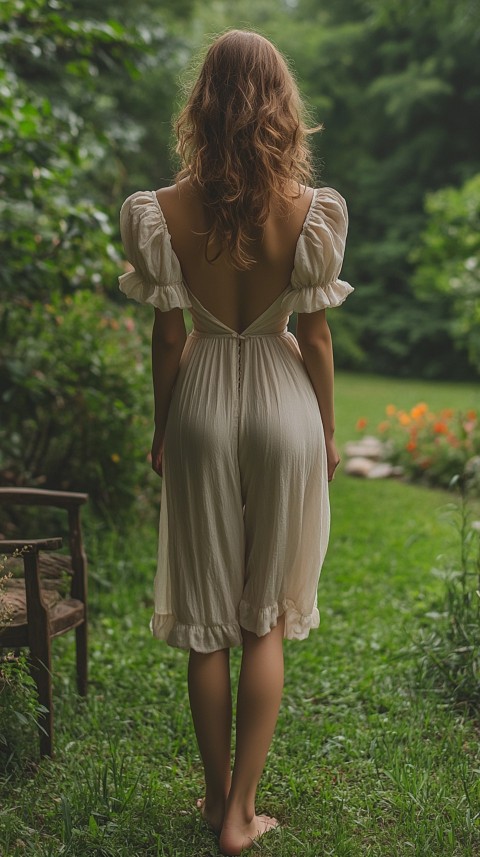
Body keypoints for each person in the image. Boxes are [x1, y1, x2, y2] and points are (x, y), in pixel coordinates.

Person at [118, 28, 353, 856]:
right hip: (283, 403)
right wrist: (324, 430)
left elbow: (168, 339)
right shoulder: (310, 211)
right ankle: (241, 813)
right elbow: (316, 339)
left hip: (204, 400)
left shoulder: (161, 212)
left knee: (209, 622)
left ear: (203, 104)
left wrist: (163, 424)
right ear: (279, 106)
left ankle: (217, 793)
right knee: (264, 622)